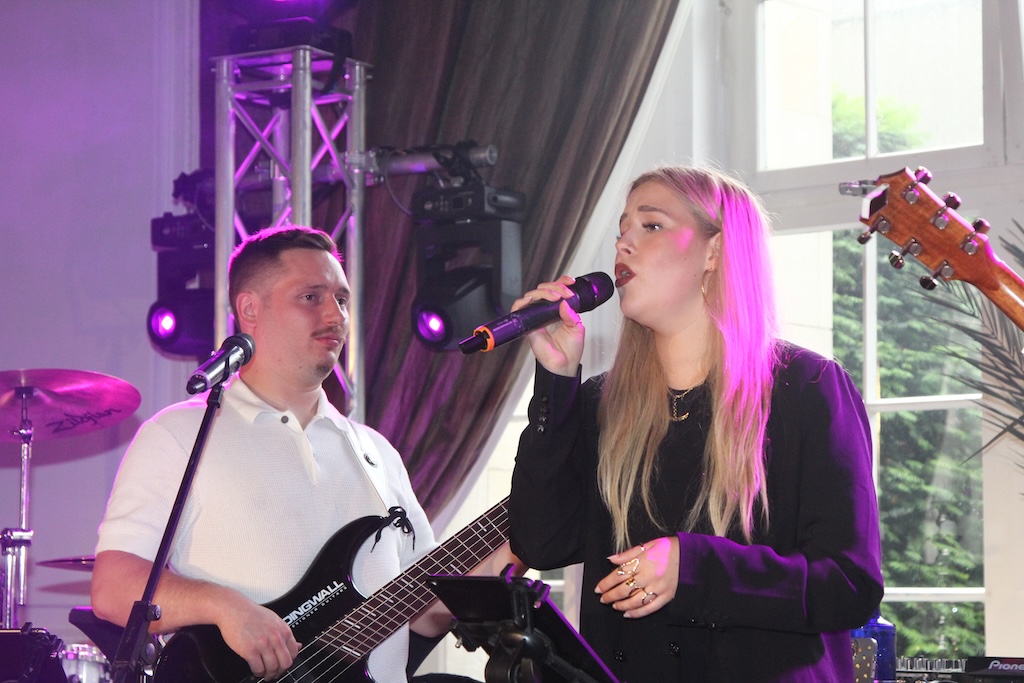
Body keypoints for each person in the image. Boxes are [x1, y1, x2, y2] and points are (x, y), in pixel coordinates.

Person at [507, 166, 884, 682]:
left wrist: (697, 568)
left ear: (714, 252)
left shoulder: (808, 387)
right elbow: (541, 543)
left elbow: (849, 585)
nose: (623, 245)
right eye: (621, 231)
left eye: (651, 226)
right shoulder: (600, 403)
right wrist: (555, 378)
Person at [91, 226, 512, 682]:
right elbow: (113, 588)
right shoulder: (179, 435)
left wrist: (519, 544)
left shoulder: (377, 452)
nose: (335, 315)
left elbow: (425, 611)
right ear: (249, 309)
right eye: (311, 297)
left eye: (342, 299)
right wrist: (224, 606)